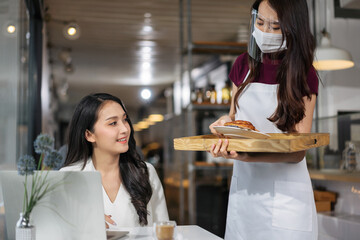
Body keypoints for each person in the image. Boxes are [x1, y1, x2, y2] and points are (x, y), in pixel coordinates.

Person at [209, 0, 318, 239]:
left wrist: (248, 155)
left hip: (287, 200)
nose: (265, 32)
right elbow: (235, 117)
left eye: (275, 27)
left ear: (293, 28)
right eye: (260, 23)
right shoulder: (242, 65)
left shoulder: (304, 73)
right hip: (245, 193)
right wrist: (224, 125)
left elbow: (298, 150)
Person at [60, 93, 169, 228]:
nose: (124, 129)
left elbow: (164, 230)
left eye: (125, 120)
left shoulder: (145, 172)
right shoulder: (69, 177)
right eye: (113, 123)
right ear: (89, 134)